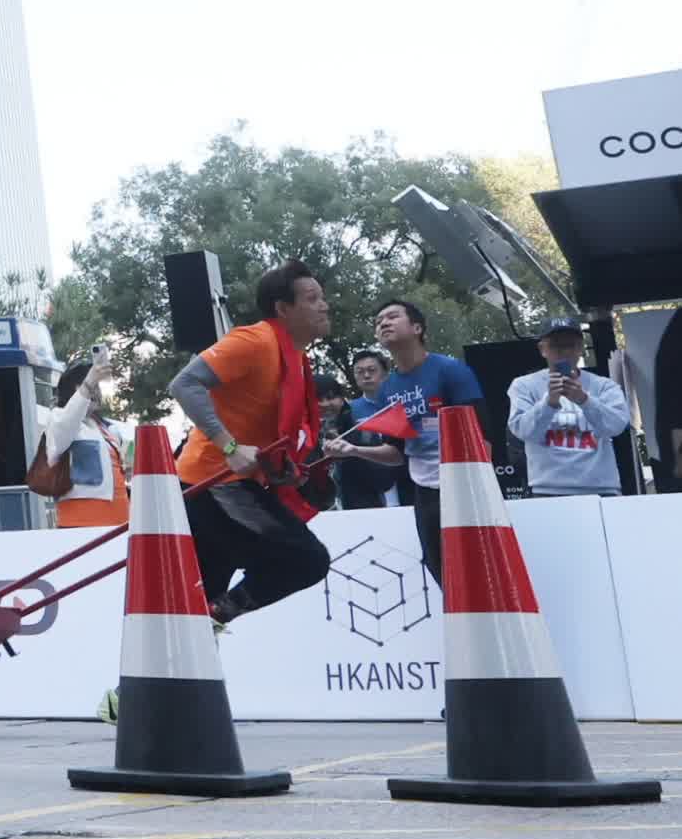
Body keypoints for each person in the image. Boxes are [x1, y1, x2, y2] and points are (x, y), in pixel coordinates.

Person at [169, 261, 335, 624]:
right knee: (307, 560)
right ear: (283, 309)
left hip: (227, 485)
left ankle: (201, 629)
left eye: (323, 297)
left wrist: (280, 469)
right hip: (212, 483)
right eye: (312, 298)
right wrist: (229, 446)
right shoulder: (255, 340)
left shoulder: (295, 357)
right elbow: (184, 384)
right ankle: (214, 616)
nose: (324, 305)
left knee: (192, 606)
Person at [341, 296, 483, 583]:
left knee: (477, 564)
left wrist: (478, 484)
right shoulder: (388, 388)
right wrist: (352, 449)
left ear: (417, 328)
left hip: (463, 483)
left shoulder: (450, 370)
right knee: (439, 567)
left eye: (392, 317)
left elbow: (483, 433)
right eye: (379, 322)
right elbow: (396, 453)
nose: (383, 324)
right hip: (423, 489)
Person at [507, 318, 633, 499]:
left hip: (602, 489)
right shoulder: (524, 386)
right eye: (556, 346)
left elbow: (616, 426)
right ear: (543, 349)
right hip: (547, 490)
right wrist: (548, 403)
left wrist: (584, 400)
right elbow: (522, 430)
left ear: (581, 348)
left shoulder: (604, 386)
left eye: (571, 345)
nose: (564, 352)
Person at [35, 355, 131, 530]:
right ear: (71, 391)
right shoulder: (57, 420)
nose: (94, 390)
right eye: (86, 384)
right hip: (81, 524)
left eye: (97, 385)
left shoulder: (108, 428)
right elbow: (67, 422)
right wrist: (90, 382)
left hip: (120, 520)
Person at [329, 350, 403, 509]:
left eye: (372, 370)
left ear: (385, 373)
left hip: (405, 478)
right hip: (367, 489)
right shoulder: (349, 410)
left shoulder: (401, 403)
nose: (366, 376)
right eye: (360, 372)